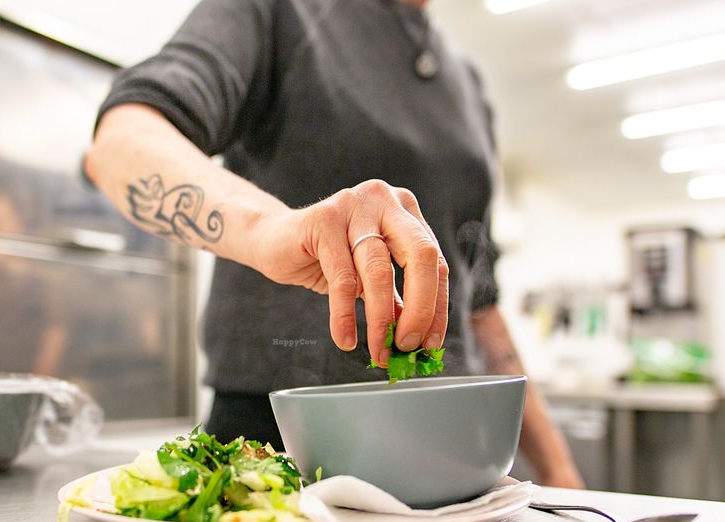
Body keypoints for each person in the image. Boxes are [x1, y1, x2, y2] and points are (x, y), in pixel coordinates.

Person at [85, 0, 585, 487]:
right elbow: (120, 142)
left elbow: (478, 297)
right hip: (282, 443)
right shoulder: (279, 11)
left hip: (457, 440)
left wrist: (557, 467)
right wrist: (273, 229)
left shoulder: (469, 85)